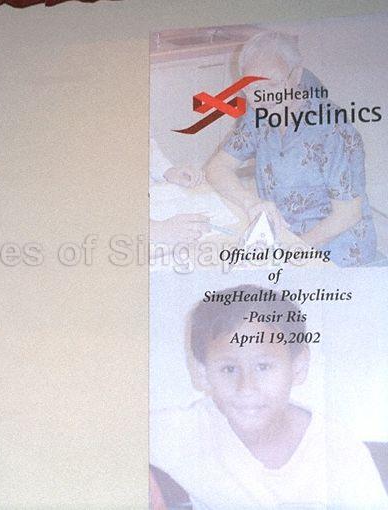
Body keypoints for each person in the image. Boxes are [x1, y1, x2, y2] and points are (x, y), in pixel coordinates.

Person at [150, 284, 388, 508]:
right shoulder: (185, 431)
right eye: (229, 369)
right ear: (203, 373)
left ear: (298, 366)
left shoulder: (339, 450)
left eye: (263, 366)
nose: (246, 387)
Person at [204, 31, 377, 266]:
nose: (262, 99)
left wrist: (291, 252)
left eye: (272, 85)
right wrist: (250, 202)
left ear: (296, 75)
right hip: (284, 236)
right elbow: (217, 167)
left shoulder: (332, 129)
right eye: (252, 89)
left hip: (335, 248)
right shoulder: (257, 115)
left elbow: (348, 214)